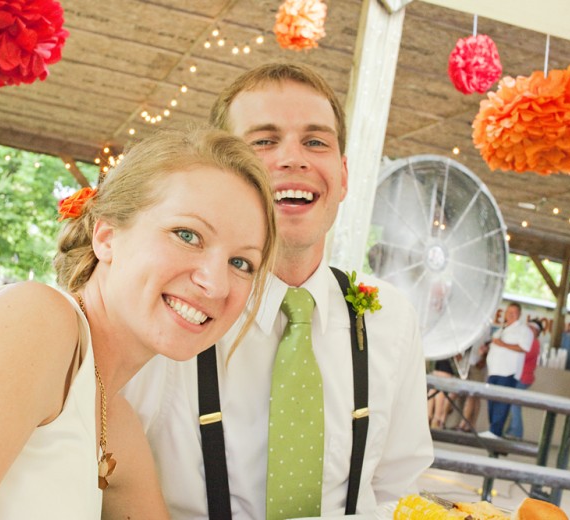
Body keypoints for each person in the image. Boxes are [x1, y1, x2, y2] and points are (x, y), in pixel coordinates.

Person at [0, 128, 277, 519]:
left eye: (241, 263)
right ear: (106, 235)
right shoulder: (35, 323)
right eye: (187, 235)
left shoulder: (115, 423)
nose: (216, 283)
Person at [120, 63, 433, 518]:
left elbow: (398, 494)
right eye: (264, 141)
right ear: (219, 171)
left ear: (343, 175)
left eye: (316, 142)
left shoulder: (392, 320)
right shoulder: (170, 307)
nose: (293, 159)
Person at [479, 302, 533, 438]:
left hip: (508, 372)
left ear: (519, 315)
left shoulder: (523, 330)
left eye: (513, 313)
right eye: (508, 312)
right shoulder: (500, 330)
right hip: (494, 371)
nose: (510, 315)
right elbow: (496, 345)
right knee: (491, 401)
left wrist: (502, 344)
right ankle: (492, 429)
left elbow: (524, 348)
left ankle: (495, 431)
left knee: (501, 402)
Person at [505, 319, 543, 440]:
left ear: (536, 331)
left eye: (531, 328)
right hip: (520, 377)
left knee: (515, 404)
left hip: (523, 378)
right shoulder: (530, 341)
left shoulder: (533, 343)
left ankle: (516, 432)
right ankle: (511, 430)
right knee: (513, 404)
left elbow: (523, 354)